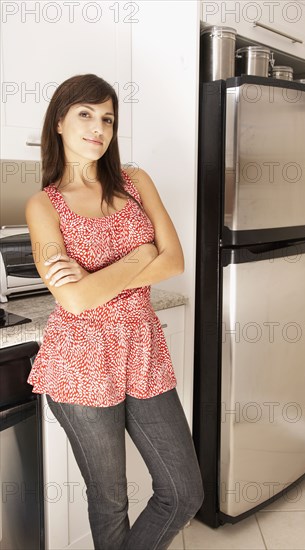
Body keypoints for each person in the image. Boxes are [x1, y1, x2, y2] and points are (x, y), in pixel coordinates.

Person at [25, 73, 204, 550]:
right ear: (59, 121)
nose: (98, 127)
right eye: (85, 114)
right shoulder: (44, 206)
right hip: (79, 364)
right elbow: (75, 301)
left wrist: (99, 277)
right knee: (109, 501)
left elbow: (177, 260)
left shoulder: (135, 181)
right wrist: (141, 256)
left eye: (107, 118)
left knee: (183, 492)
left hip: (144, 351)